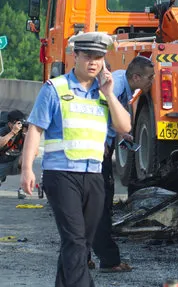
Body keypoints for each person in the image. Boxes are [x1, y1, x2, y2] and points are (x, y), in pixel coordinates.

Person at [20, 32, 131, 287]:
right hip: (61, 176)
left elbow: (125, 126)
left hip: (94, 176)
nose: (93, 62)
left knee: (81, 243)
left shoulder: (105, 94)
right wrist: (27, 169)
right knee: (75, 240)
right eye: (88, 56)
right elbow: (35, 129)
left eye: (99, 57)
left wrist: (110, 94)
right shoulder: (55, 89)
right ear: (75, 56)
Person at [89, 55, 154, 273]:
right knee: (102, 206)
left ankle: (83, 255)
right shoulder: (115, 86)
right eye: (149, 78)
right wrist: (100, 140)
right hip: (97, 152)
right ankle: (108, 260)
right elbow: (97, 111)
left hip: (98, 149)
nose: (151, 82)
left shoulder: (122, 87)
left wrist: (121, 134)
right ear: (136, 76)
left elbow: (111, 115)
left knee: (92, 205)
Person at [0, 109, 28, 198]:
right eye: (17, 123)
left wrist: (27, 138)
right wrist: (12, 133)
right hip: (2, 163)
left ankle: (23, 188)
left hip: (16, 163)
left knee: (27, 158)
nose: (20, 126)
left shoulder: (24, 132)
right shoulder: (3, 130)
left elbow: (34, 152)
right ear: (10, 124)